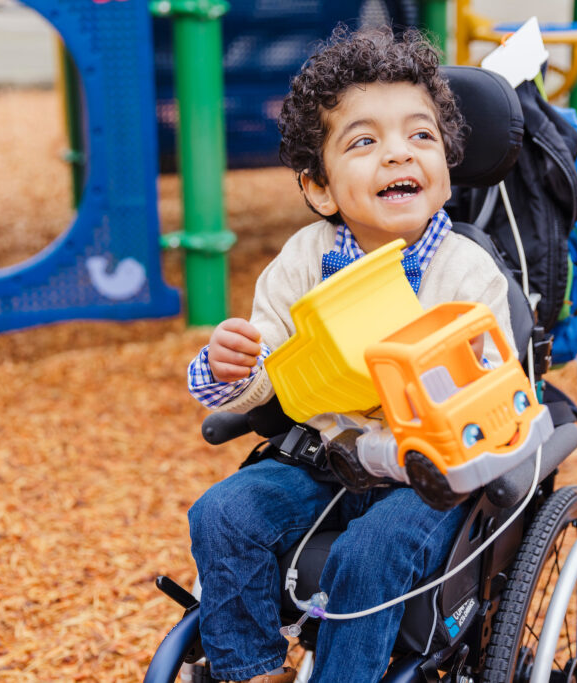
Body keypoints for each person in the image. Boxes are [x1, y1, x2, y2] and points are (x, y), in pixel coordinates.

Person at [186, 26, 515, 683]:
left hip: (429, 472)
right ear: (320, 187)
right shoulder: (302, 262)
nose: (399, 155)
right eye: (365, 141)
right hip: (327, 456)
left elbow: (489, 406)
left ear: (447, 169)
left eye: (420, 137)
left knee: (365, 554)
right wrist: (235, 368)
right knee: (221, 513)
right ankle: (253, 669)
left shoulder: (467, 274)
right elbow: (269, 373)